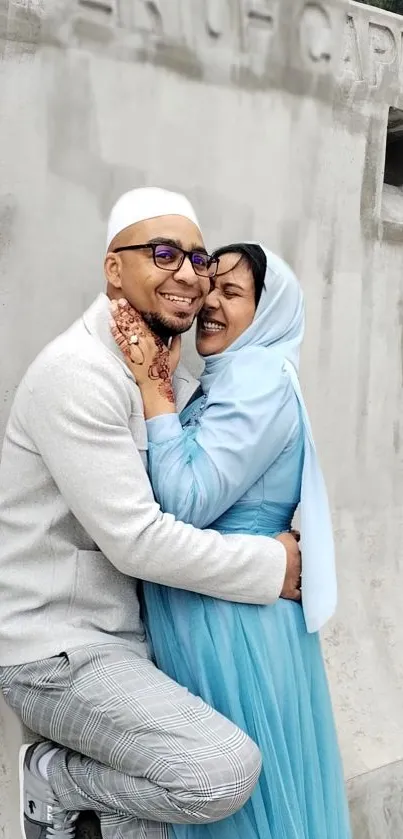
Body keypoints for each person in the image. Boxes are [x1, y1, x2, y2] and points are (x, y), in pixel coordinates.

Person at [0, 189, 302, 839]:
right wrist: (269, 563)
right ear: (115, 268)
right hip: (56, 650)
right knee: (218, 772)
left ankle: (80, 811)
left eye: (197, 257)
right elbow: (137, 539)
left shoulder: (167, 377)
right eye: (163, 253)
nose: (190, 274)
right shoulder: (78, 374)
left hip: (134, 644)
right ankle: (54, 775)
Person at [110, 242, 351, 839]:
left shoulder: (257, 375)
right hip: (222, 607)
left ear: (267, 313)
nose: (209, 302)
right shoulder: (233, 376)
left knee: (237, 809)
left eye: (233, 293)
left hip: (231, 624)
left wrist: (154, 391)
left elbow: (186, 502)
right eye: (209, 286)